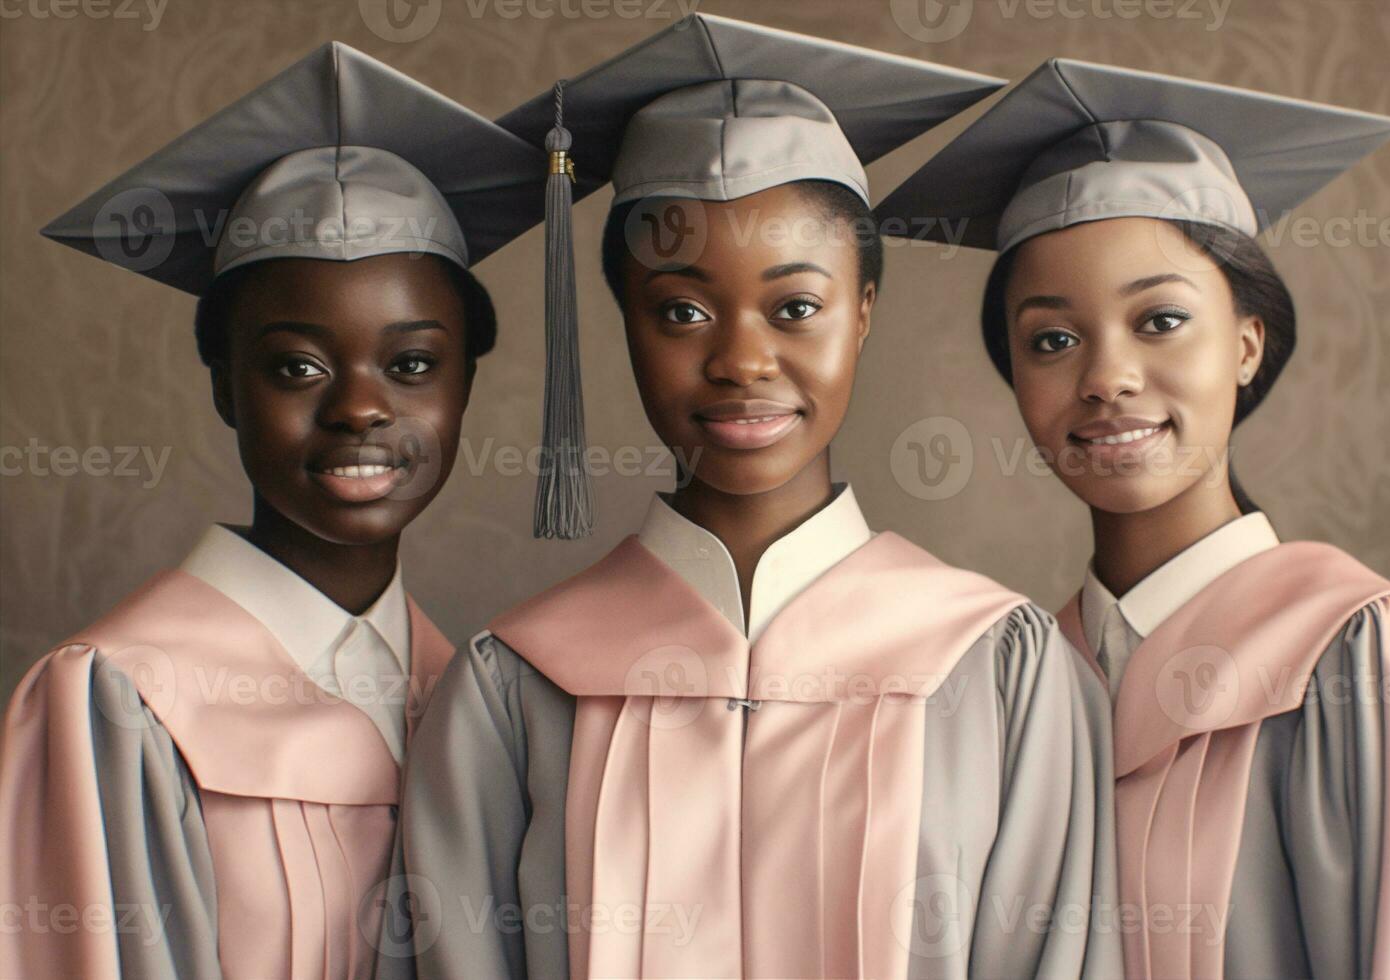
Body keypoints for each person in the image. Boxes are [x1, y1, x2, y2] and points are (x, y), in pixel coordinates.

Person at [386, 15, 1120, 979]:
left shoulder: (1001, 672)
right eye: (681, 310)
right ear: (625, 327)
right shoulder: (514, 688)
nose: (739, 359)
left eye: (796, 308)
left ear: (861, 314)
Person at [878, 57, 1390, 978]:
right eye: (1053, 339)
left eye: (1159, 321)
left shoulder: (1362, 655)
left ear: (1245, 344)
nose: (1106, 376)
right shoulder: (1003, 686)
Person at [0, 42, 546, 980]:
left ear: (463, 391)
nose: (360, 409)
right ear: (224, 388)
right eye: (297, 366)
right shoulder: (121, 698)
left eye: (412, 365)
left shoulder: (478, 693)